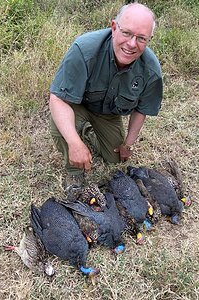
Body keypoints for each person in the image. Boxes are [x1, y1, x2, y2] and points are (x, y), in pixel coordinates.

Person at [49, 2, 163, 191]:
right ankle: (74, 173)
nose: (132, 44)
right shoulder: (83, 50)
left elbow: (141, 110)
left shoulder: (151, 70)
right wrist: (75, 143)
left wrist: (128, 143)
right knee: (63, 129)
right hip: (76, 104)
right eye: (126, 33)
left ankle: (88, 132)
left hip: (107, 113)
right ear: (113, 27)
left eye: (141, 38)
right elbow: (57, 99)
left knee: (115, 157)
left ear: (149, 39)